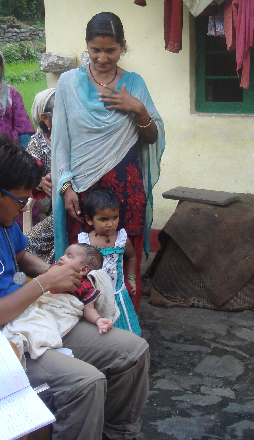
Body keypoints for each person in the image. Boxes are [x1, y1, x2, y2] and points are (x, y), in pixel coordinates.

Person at [0, 134, 150, 440]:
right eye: (20, 200)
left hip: (30, 320)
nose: (24, 208)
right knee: (85, 382)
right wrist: (45, 282)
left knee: (132, 352)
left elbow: (22, 257)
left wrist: (63, 275)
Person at [51, 11, 165, 314]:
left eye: (111, 50)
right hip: (82, 191)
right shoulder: (69, 83)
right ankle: (84, 323)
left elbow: (152, 137)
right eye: (95, 50)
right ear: (86, 46)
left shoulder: (134, 84)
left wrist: (138, 109)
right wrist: (65, 187)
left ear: (123, 46)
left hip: (126, 189)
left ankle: (126, 322)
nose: (102, 58)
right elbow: (61, 140)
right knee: (82, 263)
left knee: (124, 260)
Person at [79, 188, 141, 336]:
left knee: (125, 330)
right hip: (95, 296)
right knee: (99, 330)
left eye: (114, 217)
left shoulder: (121, 239)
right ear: (89, 219)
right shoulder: (85, 241)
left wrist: (131, 279)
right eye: (103, 219)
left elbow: (131, 257)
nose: (110, 224)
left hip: (118, 294)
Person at [53, 243, 114, 334]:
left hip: (63, 317)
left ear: (83, 270)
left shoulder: (83, 286)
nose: (62, 258)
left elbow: (88, 309)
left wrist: (98, 320)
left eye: (69, 257)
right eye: (64, 254)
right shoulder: (53, 272)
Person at [25, 88, 56, 263]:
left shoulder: (78, 137)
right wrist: (40, 182)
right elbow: (27, 175)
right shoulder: (37, 143)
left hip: (84, 206)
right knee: (25, 246)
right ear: (45, 118)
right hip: (55, 211)